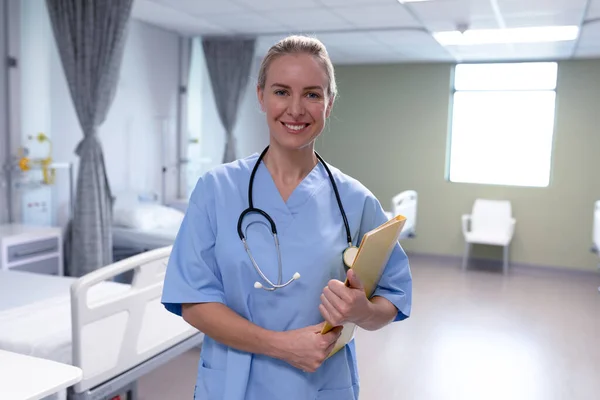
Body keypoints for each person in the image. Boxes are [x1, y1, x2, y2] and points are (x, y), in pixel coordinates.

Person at [161, 35, 412, 400]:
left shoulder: (356, 201)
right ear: (261, 96)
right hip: (232, 385)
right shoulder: (215, 189)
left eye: (312, 94)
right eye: (281, 92)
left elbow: (393, 296)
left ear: (329, 104)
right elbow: (192, 301)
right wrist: (281, 345)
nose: (295, 109)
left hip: (321, 385)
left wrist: (363, 311)